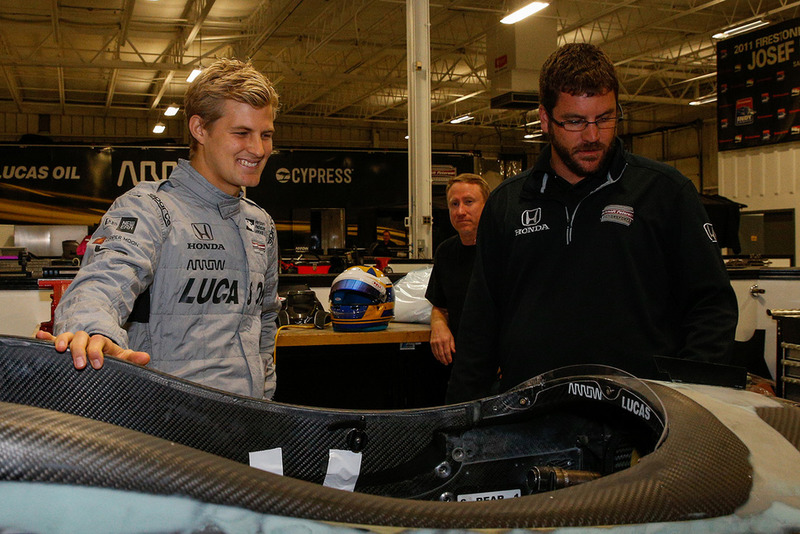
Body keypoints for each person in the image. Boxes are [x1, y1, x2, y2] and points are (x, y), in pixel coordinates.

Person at [445, 43, 739, 403]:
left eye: (605, 118)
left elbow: (712, 306)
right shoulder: (508, 203)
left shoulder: (664, 192)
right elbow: (480, 325)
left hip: (638, 422)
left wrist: (688, 401)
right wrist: (459, 420)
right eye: (575, 121)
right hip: (532, 419)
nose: (592, 136)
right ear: (544, 119)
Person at [35, 58, 282, 399]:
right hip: (170, 428)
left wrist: (266, 395)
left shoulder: (261, 224)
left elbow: (265, 320)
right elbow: (102, 283)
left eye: (265, 135)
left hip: (250, 423)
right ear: (200, 129)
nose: (258, 149)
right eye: (241, 133)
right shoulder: (149, 209)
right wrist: (90, 330)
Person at [425, 173, 489, 368]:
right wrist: (438, 325)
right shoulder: (445, 252)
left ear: (487, 205)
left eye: (469, 202)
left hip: (502, 364)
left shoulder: (506, 248)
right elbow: (439, 306)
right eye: (454, 204)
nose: (460, 211)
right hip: (460, 361)